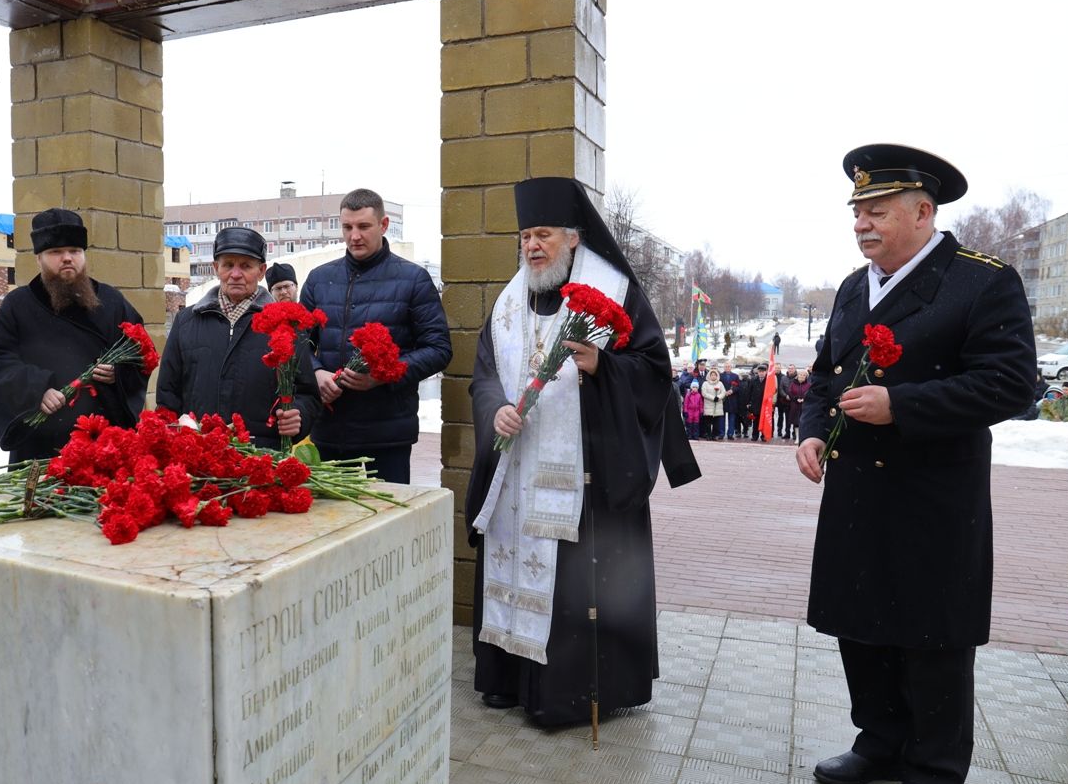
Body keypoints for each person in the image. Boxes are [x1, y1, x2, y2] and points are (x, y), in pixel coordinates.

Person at [797, 144, 1036, 784]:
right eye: (857, 212)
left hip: (932, 494)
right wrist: (813, 430)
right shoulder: (852, 287)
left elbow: (1011, 383)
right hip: (856, 494)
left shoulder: (981, 282)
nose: (861, 225)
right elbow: (825, 377)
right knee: (860, 623)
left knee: (931, 632)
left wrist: (905, 406)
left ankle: (934, 771)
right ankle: (880, 742)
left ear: (923, 212)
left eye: (876, 211)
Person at [466, 176, 700, 726]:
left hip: (584, 475)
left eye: (542, 234)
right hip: (516, 471)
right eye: (525, 236)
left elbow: (653, 373)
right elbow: (483, 374)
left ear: (573, 238)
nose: (531, 246)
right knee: (511, 562)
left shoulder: (615, 292)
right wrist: (494, 408)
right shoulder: (508, 301)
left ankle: (568, 693)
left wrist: (602, 367)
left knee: (571, 584)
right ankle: (506, 678)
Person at [299, 188, 451, 483]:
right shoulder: (319, 279)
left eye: (363, 226)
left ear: (383, 226)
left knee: (388, 521)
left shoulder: (413, 279)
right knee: (335, 523)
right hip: (331, 431)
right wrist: (316, 373)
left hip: (387, 435)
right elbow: (297, 342)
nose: (354, 236)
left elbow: (439, 349)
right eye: (347, 227)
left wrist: (384, 375)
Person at [0, 207, 148, 464]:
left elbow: (141, 354)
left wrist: (120, 373)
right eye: (56, 252)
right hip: (40, 446)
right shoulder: (18, 304)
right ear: (39, 258)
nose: (67, 258)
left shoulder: (112, 301)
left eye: (75, 251)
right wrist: (37, 390)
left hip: (104, 445)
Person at [157, 228, 318, 449]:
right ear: (216, 268)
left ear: (261, 271)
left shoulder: (286, 325)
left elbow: (308, 394)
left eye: (245, 266)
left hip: (262, 456)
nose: (235, 274)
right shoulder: (187, 322)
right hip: (200, 455)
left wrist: (299, 416)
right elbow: (168, 395)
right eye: (228, 265)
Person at [786, 368, 811, 442]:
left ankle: (803, 437)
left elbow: (810, 394)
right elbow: (790, 392)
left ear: (806, 376)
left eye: (804, 375)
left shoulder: (808, 385)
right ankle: (797, 437)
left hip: (804, 406)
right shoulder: (793, 384)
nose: (802, 376)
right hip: (795, 405)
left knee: (803, 422)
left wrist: (804, 399)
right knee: (796, 422)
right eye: (800, 374)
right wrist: (796, 398)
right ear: (797, 375)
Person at [700, 368, 726, 440]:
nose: (713, 376)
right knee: (708, 422)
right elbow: (704, 393)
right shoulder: (705, 383)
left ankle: (714, 435)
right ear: (709, 376)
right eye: (712, 375)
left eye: (715, 375)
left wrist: (718, 397)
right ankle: (708, 435)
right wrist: (713, 398)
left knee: (716, 423)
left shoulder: (720, 383)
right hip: (708, 405)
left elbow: (723, 392)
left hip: (717, 406)